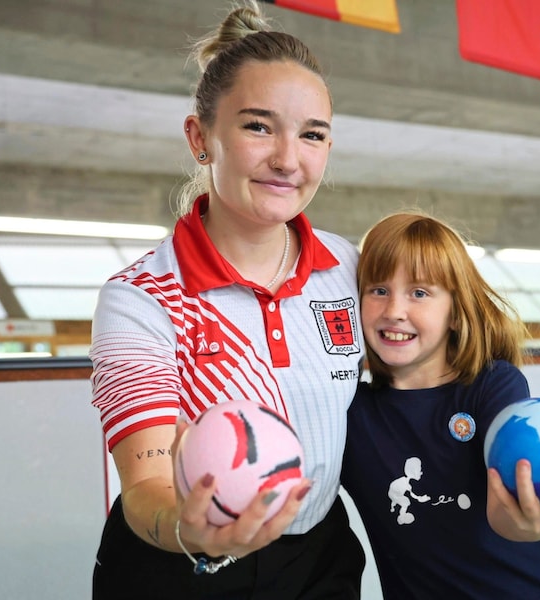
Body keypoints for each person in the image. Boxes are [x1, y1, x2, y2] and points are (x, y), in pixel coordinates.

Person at [89, 2, 365, 597]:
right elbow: (146, 487)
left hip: (320, 559)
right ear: (201, 138)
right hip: (180, 566)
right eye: (258, 126)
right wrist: (197, 534)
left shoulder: (351, 268)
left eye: (312, 135)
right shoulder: (141, 299)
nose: (289, 160)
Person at [341, 211, 540, 599]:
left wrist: (531, 520)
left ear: (455, 312)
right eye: (378, 290)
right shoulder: (352, 413)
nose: (394, 310)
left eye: (419, 293)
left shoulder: (491, 385)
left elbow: (504, 512)